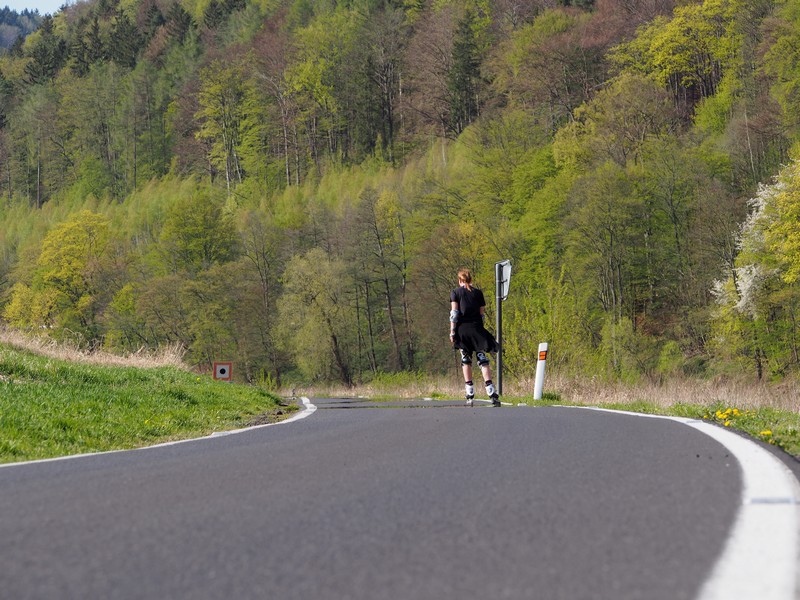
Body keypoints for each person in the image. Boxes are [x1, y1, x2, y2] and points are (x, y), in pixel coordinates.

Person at [449, 268, 500, 407]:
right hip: (477, 328)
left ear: (460, 280)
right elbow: (482, 314)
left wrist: (452, 331)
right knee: (482, 359)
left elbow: (454, 313)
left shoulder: (455, 293)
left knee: (466, 359)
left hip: (462, 329)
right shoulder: (478, 293)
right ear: (471, 279)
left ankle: (470, 393)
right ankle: (491, 391)